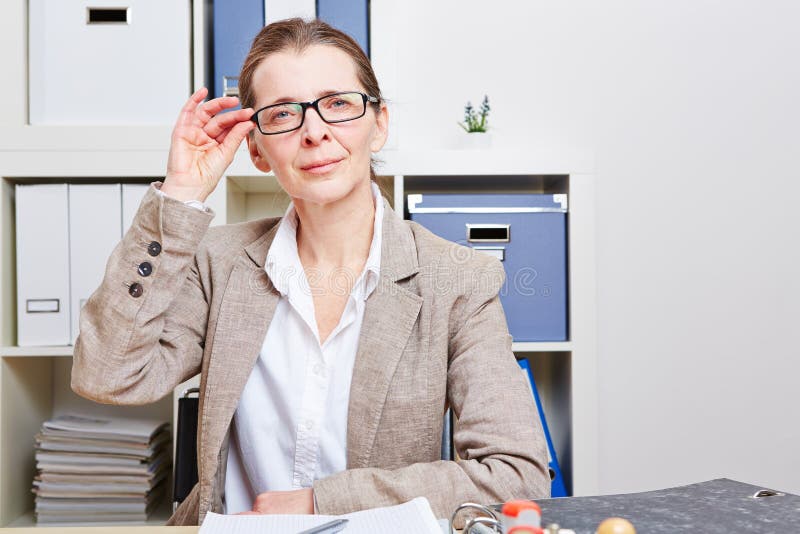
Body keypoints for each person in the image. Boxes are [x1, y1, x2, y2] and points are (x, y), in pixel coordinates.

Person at [71, 18, 549, 526]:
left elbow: (516, 473)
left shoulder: (458, 279)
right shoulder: (218, 262)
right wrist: (180, 196)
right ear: (256, 149)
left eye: (338, 104)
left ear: (379, 122)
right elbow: (107, 375)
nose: (315, 132)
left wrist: (324, 502)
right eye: (283, 114)